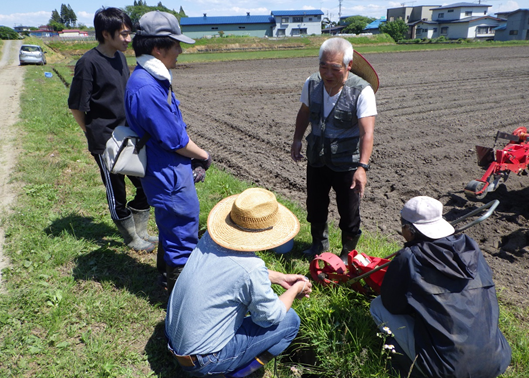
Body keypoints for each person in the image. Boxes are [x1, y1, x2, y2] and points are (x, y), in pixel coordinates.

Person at [165, 188, 312, 377]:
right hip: (202, 361)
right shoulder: (252, 268)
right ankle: (230, 374)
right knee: (290, 321)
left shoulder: (211, 239)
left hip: (174, 341)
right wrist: (296, 289)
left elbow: (234, 272)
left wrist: (279, 277)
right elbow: (270, 317)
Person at [370, 196, 512, 378]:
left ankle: (407, 369)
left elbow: (393, 305)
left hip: (447, 371)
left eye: (402, 225)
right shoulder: (470, 249)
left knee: (378, 306)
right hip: (496, 360)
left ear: (410, 230)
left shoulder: (410, 258)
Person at [124, 11, 212, 292]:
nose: (180, 51)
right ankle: (180, 301)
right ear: (157, 48)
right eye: (176, 45)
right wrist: (203, 155)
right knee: (182, 233)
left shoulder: (150, 79)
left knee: (172, 229)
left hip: (169, 171)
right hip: (168, 176)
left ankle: (163, 278)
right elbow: (176, 141)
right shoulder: (147, 88)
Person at [68, 7, 156, 253]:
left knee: (144, 184)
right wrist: (92, 133)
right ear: (106, 34)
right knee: (116, 189)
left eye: (129, 33)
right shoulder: (88, 63)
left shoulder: (119, 56)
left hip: (128, 136)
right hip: (106, 140)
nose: (129, 39)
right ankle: (130, 237)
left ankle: (142, 230)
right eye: (124, 34)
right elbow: (76, 106)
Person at [290, 37, 379, 262]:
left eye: (335, 68)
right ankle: (318, 246)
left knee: (349, 212)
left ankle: (348, 254)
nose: (327, 74)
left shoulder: (361, 91)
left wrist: (362, 167)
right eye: (323, 67)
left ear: (348, 65)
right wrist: (297, 139)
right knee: (315, 205)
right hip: (317, 158)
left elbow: (366, 132)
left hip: (347, 162)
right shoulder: (312, 83)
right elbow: (304, 112)